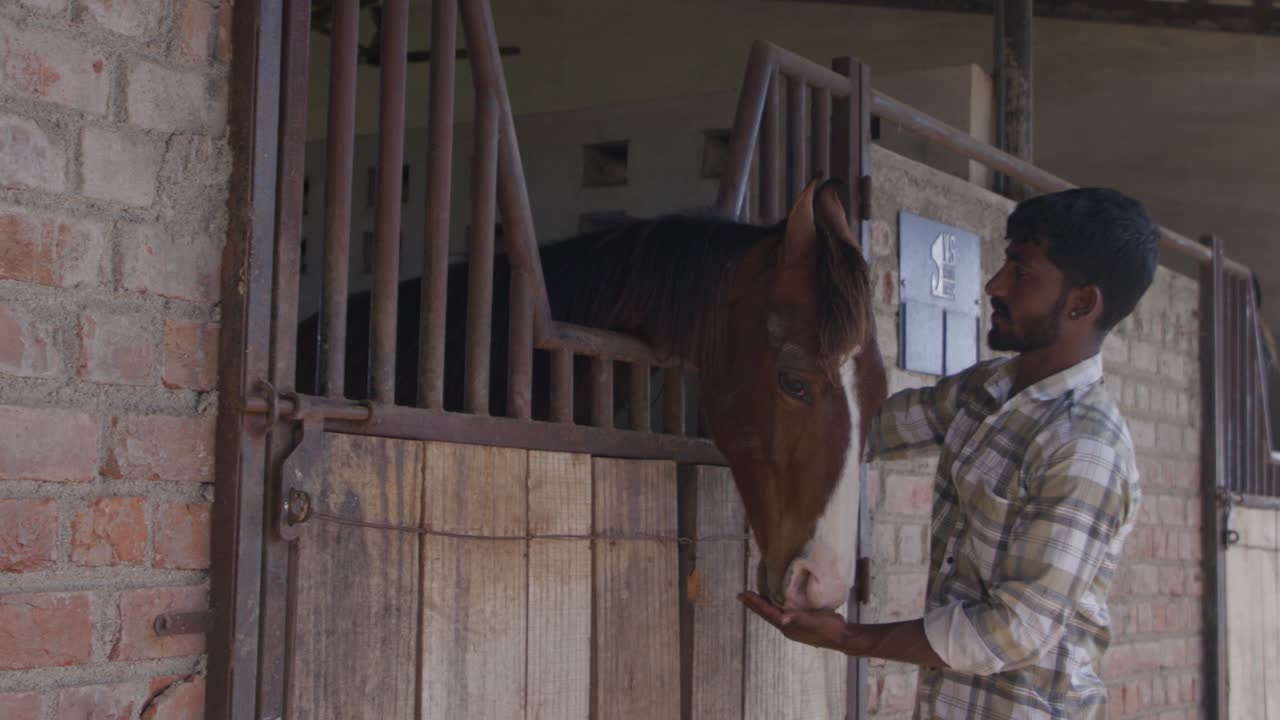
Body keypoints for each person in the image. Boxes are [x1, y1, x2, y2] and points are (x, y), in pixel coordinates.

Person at [740, 187, 1160, 719]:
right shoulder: (987, 389)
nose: (993, 284)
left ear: (1081, 302)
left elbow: (1012, 633)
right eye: (1005, 263)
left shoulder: (1086, 449)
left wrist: (850, 639)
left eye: (1021, 273)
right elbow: (863, 431)